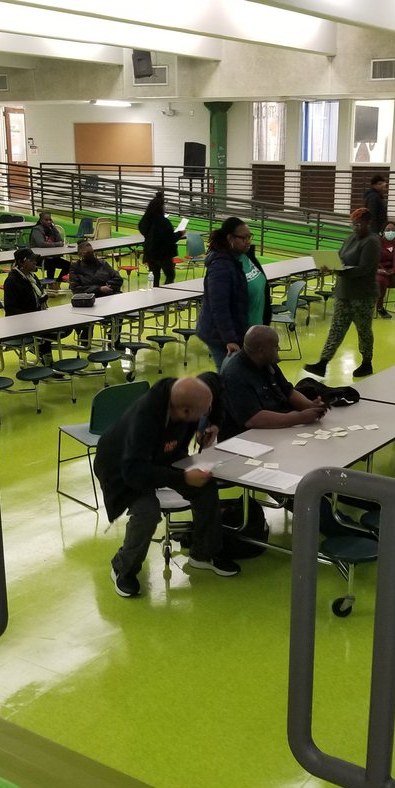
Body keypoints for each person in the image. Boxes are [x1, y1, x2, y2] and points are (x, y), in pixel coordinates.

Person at [94, 375, 239, 598]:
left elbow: (216, 390)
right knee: (147, 511)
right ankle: (123, 568)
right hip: (121, 467)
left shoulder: (187, 393)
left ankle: (203, 553)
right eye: (201, 415)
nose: (204, 416)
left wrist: (214, 424)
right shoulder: (144, 419)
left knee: (206, 486)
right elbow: (135, 473)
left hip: (162, 453)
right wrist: (182, 479)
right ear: (184, 412)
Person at [304, 207, 379, 380]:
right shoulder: (351, 238)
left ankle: (367, 362)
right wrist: (330, 265)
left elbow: (364, 269)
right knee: (336, 329)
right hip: (344, 292)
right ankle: (323, 363)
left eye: (359, 224)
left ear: (368, 223)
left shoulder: (372, 242)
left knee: (364, 330)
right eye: (353, 225)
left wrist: (339, 271)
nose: (355, 228)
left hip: (363, 295)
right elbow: (340, 258)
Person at [220, 326, 327, 439]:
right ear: (262, 350)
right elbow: (253, 419)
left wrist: (309, 406)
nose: (279, 348)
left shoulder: (266, 361)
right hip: (246, 438)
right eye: (276, 345)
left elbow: (288, 391)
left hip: (275, 428)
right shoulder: (234, 375)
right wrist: (300, 418)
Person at [194, 217, 269, 370]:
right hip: (225, 337)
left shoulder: (246, 256)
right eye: (244, 237)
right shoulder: (220, 266)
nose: (248, 241)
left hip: (249, 332)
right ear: (230, 238)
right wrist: (229, 339)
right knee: (230, 379)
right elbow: (219, 307)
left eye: (250, 236)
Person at [3, 248, 59, 366]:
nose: (35, 262)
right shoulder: (12, 281)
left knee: (63, 326)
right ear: (21, 262)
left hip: (36, 316)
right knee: (47, 331)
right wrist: (33, 317)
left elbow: (37, 297)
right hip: (20, 322)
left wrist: (44, 298)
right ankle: (48, 362)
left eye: (35, 260)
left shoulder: (32, 277)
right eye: (31, 260)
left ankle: (40, 350)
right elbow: (10, 308)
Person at [68, 240, 123, 346]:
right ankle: (85, 338)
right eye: (87, 253)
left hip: (108, 298)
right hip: (88, 300)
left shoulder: (102, 263)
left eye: (92, 252)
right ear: (80, 254)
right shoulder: (75, 268)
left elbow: (118, 278)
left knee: (118, 310)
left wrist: (108, 286)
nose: (91, 255)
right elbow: (76, 289)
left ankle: (115, 340)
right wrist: (99, 289)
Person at [138, 191, 179, 287]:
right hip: (163, 254)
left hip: (150, 253)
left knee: (154, 277)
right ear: (160, 208)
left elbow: (143, 230)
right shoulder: (164, 222)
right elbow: (170, 238)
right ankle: (165, 295)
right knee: (170, 275)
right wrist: (180, 233)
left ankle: (155, 297)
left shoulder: (146, 220)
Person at [29, 211, 67, 281]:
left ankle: (57, 282)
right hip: (39, 259)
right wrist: (57, 244)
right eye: (46, 220)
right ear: (41, 220)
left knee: (69, 265)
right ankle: (50, 283)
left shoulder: (51, 229)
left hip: (51, 257)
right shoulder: (37, 229)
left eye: (50, 220)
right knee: (51, 264)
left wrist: (54, 228)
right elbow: (41, 244)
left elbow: (60, 240)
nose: (49, 222)